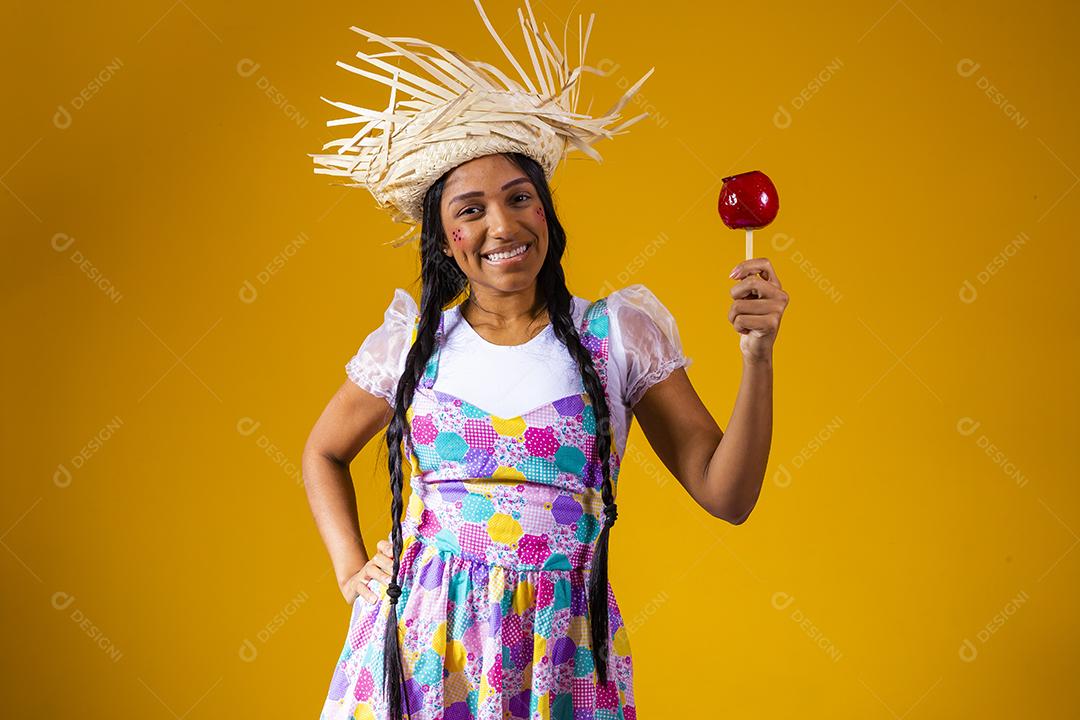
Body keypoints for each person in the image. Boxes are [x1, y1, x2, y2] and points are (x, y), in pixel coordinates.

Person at [302, 3, 788, 719]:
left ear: (546, 214)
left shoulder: (617, 336)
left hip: (559, 658)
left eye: (518, 198)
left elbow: (729, 496)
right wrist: (352, 571)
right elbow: (323, 451)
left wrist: (758, 358)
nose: (501, 225)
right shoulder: (413, 348)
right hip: (420, 656)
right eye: (469, 210)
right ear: (444, 241)